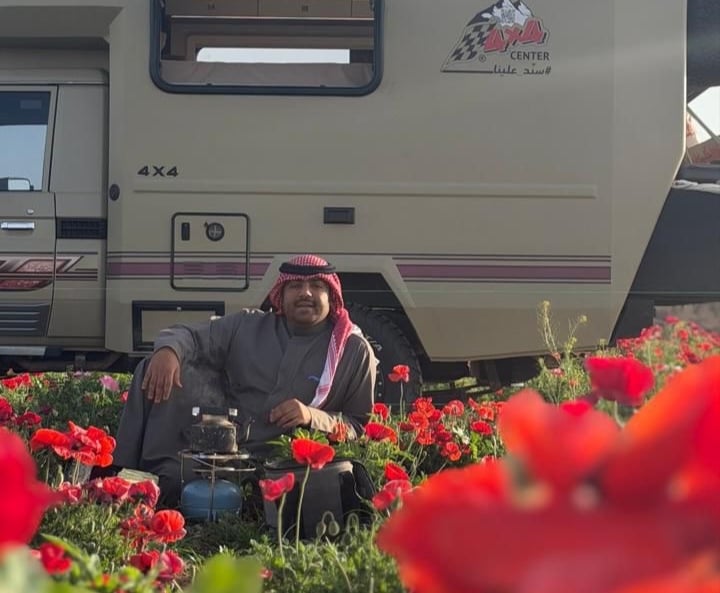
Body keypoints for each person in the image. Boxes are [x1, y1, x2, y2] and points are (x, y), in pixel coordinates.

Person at [113, 254, 377, 504]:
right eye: (295, 286)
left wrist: (311, 415)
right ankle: (119, 475)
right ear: (281, 295)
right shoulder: (248, 325)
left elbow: (356, 424)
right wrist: (168, 351)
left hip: (288, 465)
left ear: (331, 295)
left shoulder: (352, 351)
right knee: (155, 367)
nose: (305, 293)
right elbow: (190, 335)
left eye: (316, 286)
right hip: (227, 452)